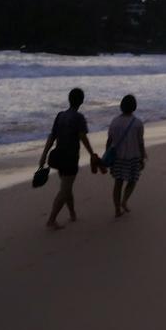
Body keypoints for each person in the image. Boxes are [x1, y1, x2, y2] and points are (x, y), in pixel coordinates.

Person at [39, 87, 102, 230]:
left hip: (58, 156)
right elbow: (83, 137)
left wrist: (43, 155)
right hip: (70, 157)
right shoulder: (79, 118)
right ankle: (51, 220)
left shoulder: (60, 115)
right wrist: (92, 153)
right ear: (82, 101)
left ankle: (72, 213)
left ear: (69, 99)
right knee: (65, 189)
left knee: (66, 187)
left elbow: (52, 136)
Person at [106, 93, 146, 218]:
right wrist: (143, 156)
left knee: (118, 182)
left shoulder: (115, 122)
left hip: (117, 157)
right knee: (133, 180)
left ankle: (117, 209)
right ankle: (124, 200)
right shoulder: (137, 123)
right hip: (133, 156)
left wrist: (107, 155)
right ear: (134, 107)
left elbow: (109, 141)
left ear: (121, 106)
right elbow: (140, 142)